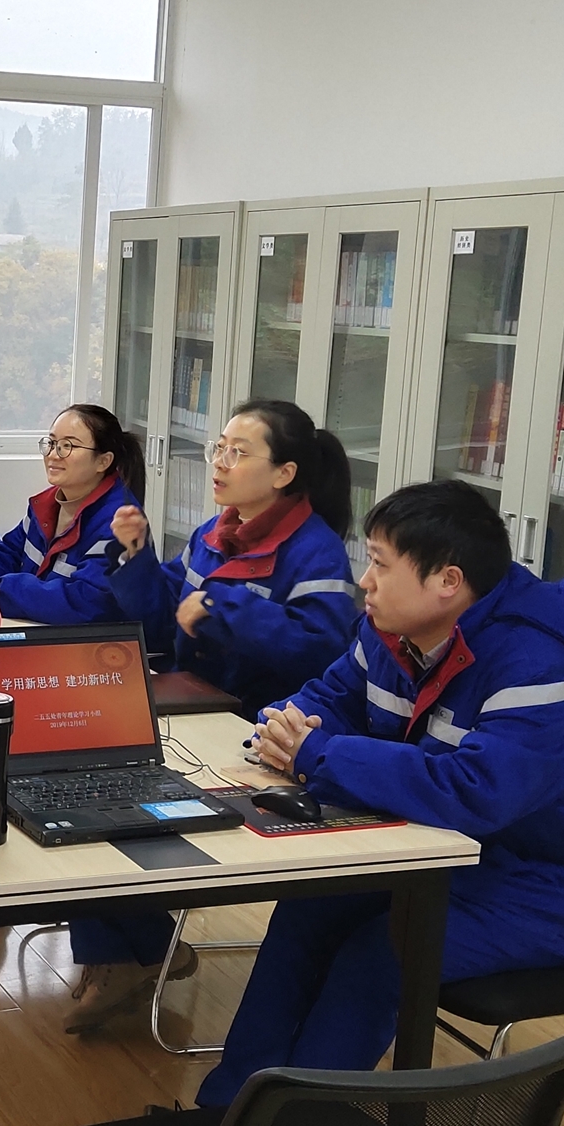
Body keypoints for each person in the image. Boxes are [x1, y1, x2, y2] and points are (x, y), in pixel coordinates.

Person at [193, 479, 564, 1107]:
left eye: (381, 564)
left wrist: (319, 754)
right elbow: (331, 697)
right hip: (446, 857)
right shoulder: (395, 630)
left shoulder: (536, 665)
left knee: (381, 953)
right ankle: (228, 1111)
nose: (365, 581)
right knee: (309, 909)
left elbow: (475, 791)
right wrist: (279, 730)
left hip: (554, 886)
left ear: (447, 582)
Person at [62, 399, 361, 1032]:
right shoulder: (214, 531)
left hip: (256, 731)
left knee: (108, 785)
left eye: (238, 452)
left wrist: (224, 610)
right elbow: (165, 614)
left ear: (284, 473)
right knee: (78, 770)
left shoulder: (317, 553)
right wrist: (137, 556)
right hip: (196, 706)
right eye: (219, 447)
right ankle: (135, 947)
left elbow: (321, 648)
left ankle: (130, 951)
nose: (219, 462)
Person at [0, 403, 144, 623]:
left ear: (103, 461)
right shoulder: (45, 505)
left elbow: (86, 602)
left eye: (68, 446)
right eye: (51, 443)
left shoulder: (120, 523)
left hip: (90, 641)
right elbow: (10, 553)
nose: (53, 455)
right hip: (39, 630)